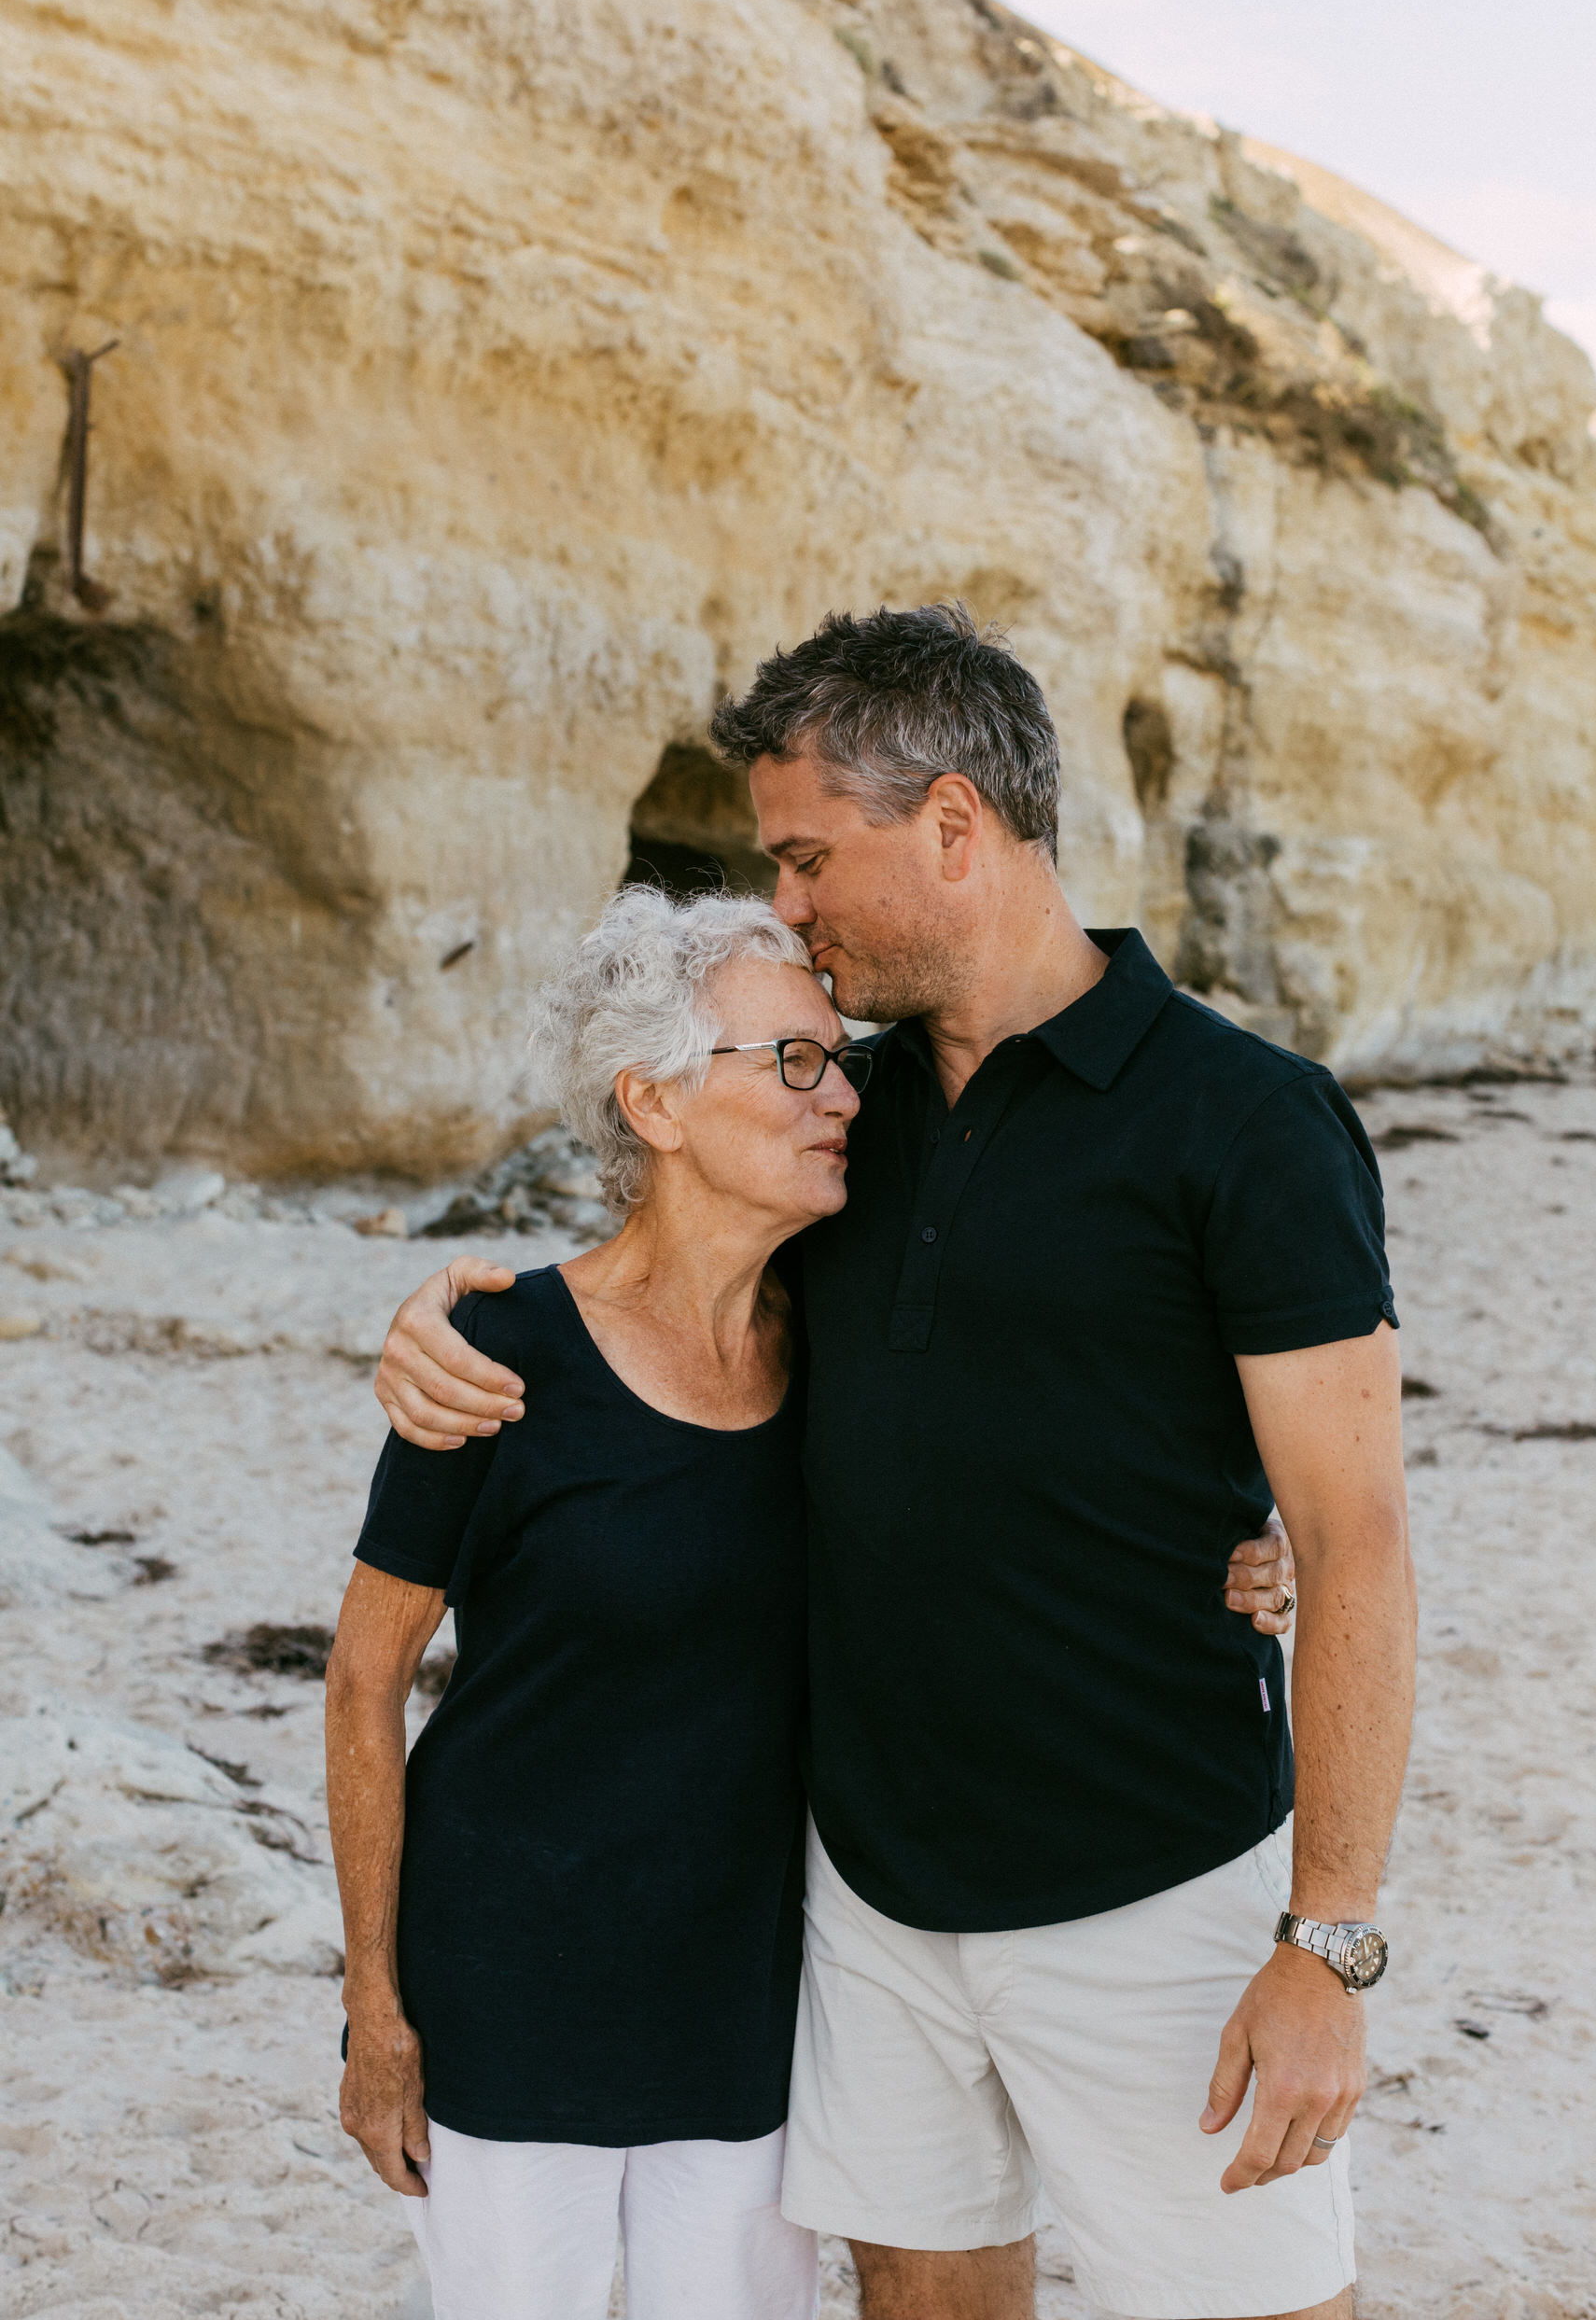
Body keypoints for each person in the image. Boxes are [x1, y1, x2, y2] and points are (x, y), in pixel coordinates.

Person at [374, 603, 1415, 2320]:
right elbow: (651, 1284)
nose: (784, 902)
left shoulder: (1246, 1122)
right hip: (864, 1900)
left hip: (1149, 1890)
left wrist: (1329, 1945)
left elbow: (1357, 1536)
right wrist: (432, 1323)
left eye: (804, 856)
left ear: (950, 824)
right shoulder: (838, 1118)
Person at [326, 890, 870, 2320]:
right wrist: (373, 2011)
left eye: (843, 1056)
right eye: (796, 1062)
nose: (844, 1097)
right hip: (508, 1983)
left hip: (743, 1996)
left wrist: (1248, 1539)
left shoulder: (852, 1359)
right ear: (657, 1101)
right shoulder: (495, 1354)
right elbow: (363, 1681)